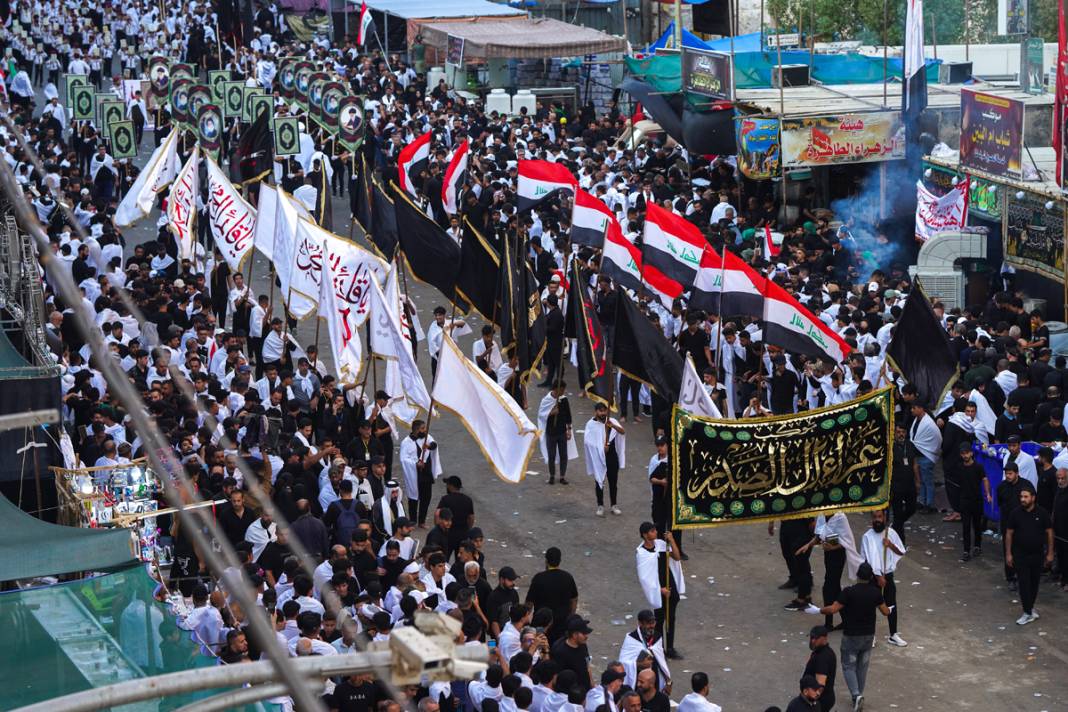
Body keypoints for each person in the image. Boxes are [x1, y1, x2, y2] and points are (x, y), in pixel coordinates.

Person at [811, 562, 894, 712]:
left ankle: (856, 695)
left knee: (849, 665)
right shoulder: (875, 592)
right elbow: (885, 612)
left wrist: (818, 610)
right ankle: (858, 696)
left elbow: (833, 609)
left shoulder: (848, 592)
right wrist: (889, 608)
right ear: (870, 577)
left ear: (857, 575)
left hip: (851, 635)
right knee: (862, 667)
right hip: (869, 635)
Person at [1005, 481, 1054, 625]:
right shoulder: (1015, 513)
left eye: (1025, 497)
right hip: (1020, 555)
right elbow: (1009, 533)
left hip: (1037, 555)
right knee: (1024, 583)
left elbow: (1050, 533)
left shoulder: (1042, 513)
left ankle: (1030, 609)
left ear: (1033, 497)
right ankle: (1027, 612)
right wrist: (1008, 553)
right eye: (1021, 497)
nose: (1022, 500)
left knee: (1034, 583)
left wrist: (1050, 553)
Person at [635, 522, 683, 659]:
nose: (655, 532)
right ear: (645, 535)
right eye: (651, 531)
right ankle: (658, 648)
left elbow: (677, 557)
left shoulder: (661, 544)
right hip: (658, 589)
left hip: (669, 583)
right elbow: (645, 577)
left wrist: (672, 540)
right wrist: (659, 590)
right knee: (659, 619)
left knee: (671, 617)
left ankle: (670, 647)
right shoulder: (642, 553)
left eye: (655, 530)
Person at [860, 509, 907, 647]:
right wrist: (878, 576)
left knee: (891, 604)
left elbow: (901, 551)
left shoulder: (890, 533)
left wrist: (890, 545)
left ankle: (893, 635)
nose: (877, 520)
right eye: (874, 517)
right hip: (874, 577)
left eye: (879, 517)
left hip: (888, 575)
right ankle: (871, 635)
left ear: (884, 517)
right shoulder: (867, 537)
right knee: (872, 606)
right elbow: (867, 559)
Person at [526, 547, 578, 644]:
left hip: (542, 625)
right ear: (560, 561)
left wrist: (525, 620)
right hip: (562, 626)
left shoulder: (539, 578)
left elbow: (529, 603)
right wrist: (571, 617)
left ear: (546, 561)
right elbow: (574, 599)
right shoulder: (567, 578)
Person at [583, 402, 626, 517]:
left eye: (604, 410)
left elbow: (622, 431)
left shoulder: (611, 421)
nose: (603, 413)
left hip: (612, 457)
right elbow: (588, 442)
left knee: (613, 482)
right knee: (599, 481)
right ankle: (600, 505)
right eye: (600, 411)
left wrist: (613, 425)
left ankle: (614, 505)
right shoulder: (591, 425)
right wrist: (601, 448)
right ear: (596, 412)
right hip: (598, 457)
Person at [953, 442, 992, 561]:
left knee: (976, 525)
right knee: (965, 526)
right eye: (962, 454)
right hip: (964, 501)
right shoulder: (959, 467)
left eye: (966, 453)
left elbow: (985, 479)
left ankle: (977, 546)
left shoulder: (978, 467)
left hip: (977, 500)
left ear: (971, 453)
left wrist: (988, 494)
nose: (965, 456)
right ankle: (966, 550)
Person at [618, 610, 670, 691]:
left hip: (654, 679)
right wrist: (637, 664)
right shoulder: (631, 639)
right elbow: (622, 662)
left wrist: (668, 681)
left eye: (653, 623)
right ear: (640, 623)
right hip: (638, 682)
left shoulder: (658, 637)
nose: (652, 626)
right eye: (648, 623)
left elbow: (662, 662)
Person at [537, 382, 575, 485]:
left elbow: (568, 416)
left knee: (564, 455)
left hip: (562, 431)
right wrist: (551, 413)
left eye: (563, 390)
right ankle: (552, 476)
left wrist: (569, 430)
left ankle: (562, 476)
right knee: (551, 455)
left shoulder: (564, 400)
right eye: (561, 390)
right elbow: (541, 415)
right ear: (555, 389)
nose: (563, 392)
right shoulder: (546, 400)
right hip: (551, 433)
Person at [550, 615, 594, 693]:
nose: (586, 636)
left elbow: (587, 664)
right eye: (583, 634)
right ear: (574, 635)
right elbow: (555, 676)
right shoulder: (560, 651)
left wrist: (592, 683)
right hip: (571, 695)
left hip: (584, 691)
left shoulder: (583, 645)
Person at [801, 625, 836, 712]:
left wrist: (811, 702)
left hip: (820, 701)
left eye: (816, 638)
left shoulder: (822, 658)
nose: (813, 640)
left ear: (824, 638)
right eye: (812, 637)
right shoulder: (823, 651)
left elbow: (820, 685)